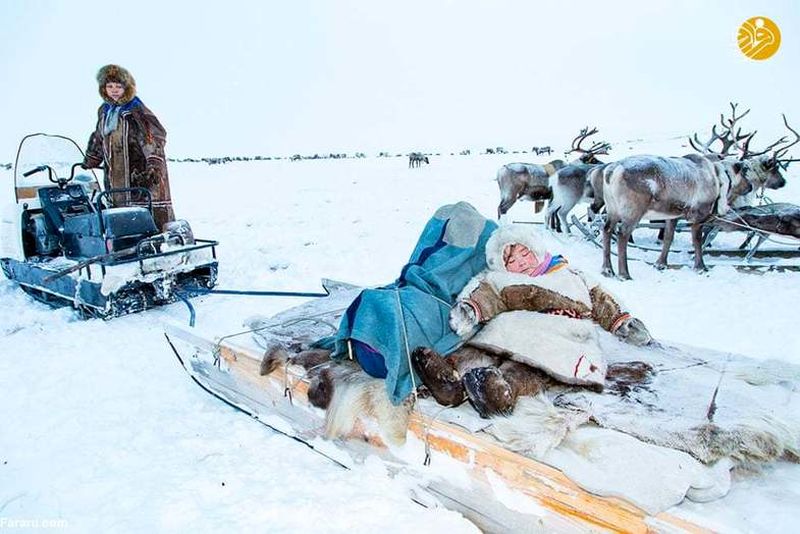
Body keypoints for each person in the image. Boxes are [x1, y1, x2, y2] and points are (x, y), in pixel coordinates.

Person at [413, 223, 653, 417]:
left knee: (531, 366)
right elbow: (486, 294)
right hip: (510, 330)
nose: (521, 263)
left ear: (536, 249)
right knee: (479, 350)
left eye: (524, 254)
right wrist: (469, 310)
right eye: (512, 261)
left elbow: (601, 299)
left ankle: (501, 392)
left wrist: (622, 322)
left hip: (561, 335)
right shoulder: (501, 279)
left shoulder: (570, 275)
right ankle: (450, 381)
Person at [83, 64, 175, 230]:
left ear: (127, 87)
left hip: (139, 171)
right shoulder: (105, 111)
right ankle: (124, 243)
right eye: (110, 86)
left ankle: (160, 243)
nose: (114, 90)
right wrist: (92, 157)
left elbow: (151, 136)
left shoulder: (135, 110)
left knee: (145, 212)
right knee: (119, 211)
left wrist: (153, 162)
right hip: (115, 174)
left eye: (119, 86)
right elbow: (99, 136)